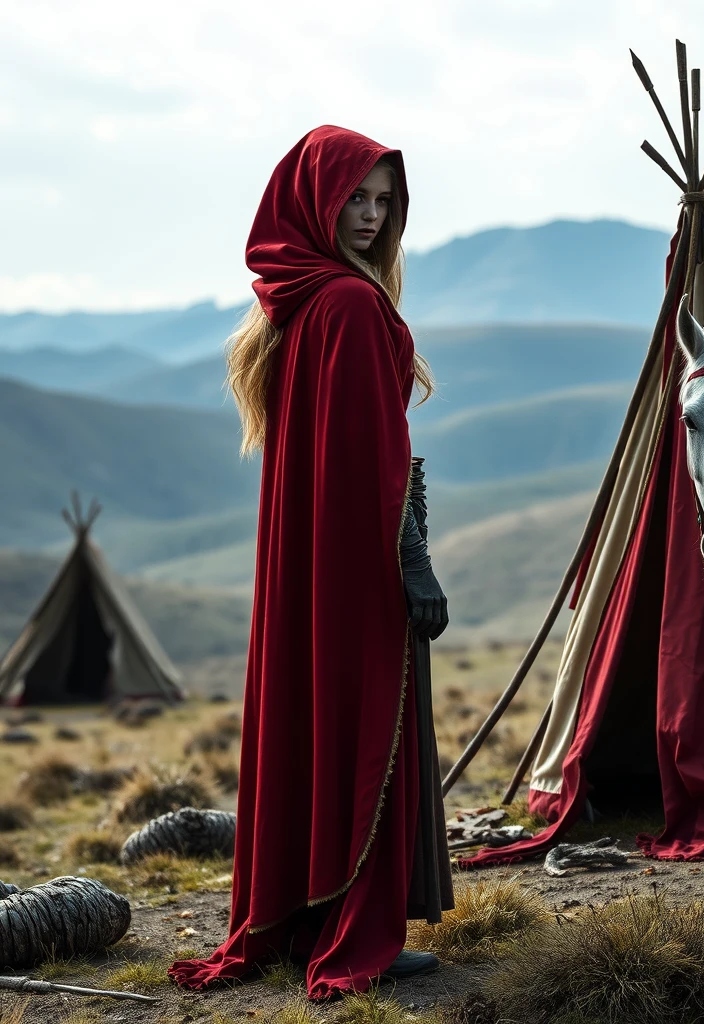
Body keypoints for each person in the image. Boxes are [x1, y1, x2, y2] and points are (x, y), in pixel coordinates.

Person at [168, 125, 454, 1000]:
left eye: (382, 201)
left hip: (314, 568)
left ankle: (305, 919)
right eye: (355, 199)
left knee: (317, 725)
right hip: (359, 569)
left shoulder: (298, 305)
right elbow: (372, 460)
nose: (370, 217)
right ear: (314, 202)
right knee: (364, 727)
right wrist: (414, 561)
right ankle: (354, 931)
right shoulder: (353, 308)